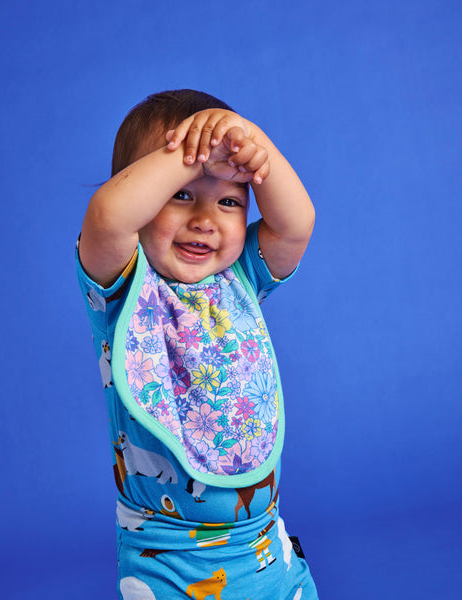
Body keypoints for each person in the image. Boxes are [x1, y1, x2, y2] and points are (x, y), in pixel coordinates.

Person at [77, 89, 318, 600]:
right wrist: (188, 156)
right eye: (182, 192)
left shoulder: (242, 277)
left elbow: (295, 225)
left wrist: (254, 144)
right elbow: (106, 217)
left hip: (265, 547)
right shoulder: (123, 287)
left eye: (229, 200)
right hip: (168, 558)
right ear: (140, 190)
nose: (206, 219)